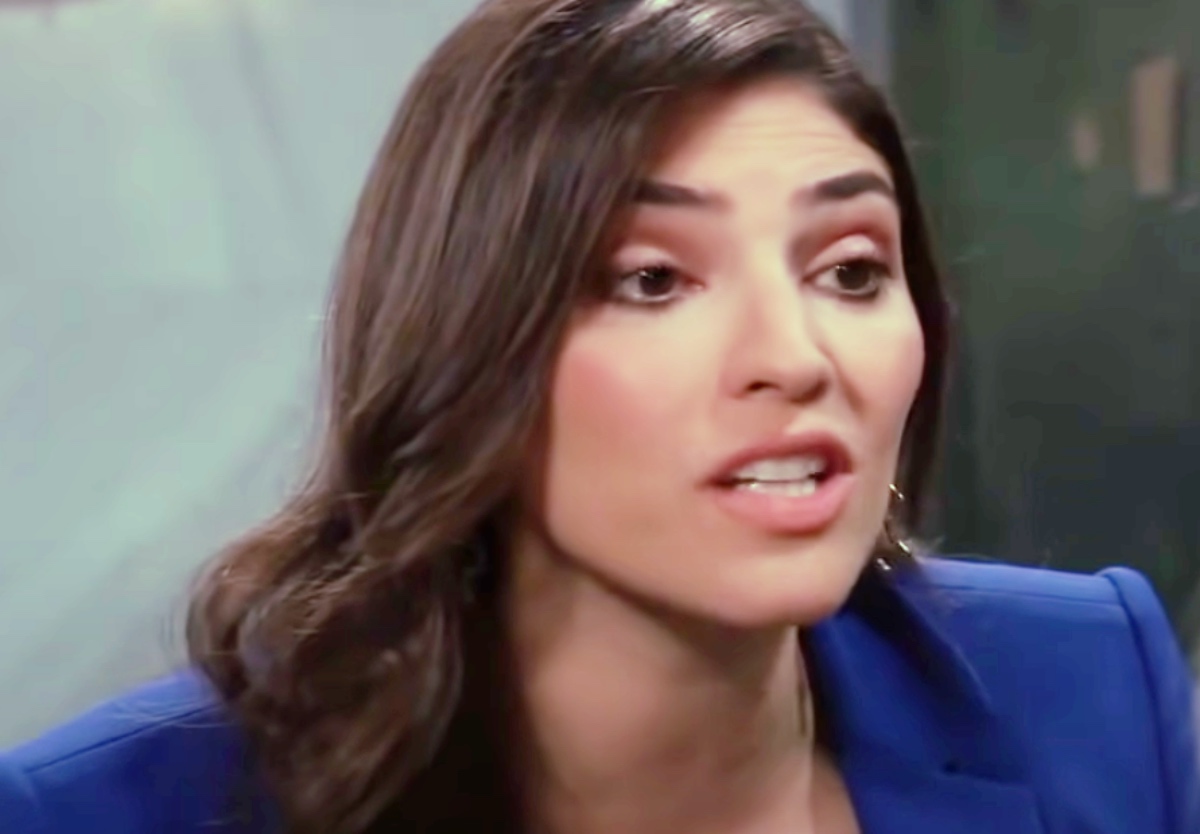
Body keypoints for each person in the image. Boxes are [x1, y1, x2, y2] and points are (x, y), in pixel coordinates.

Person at [2, 1, 1197, 832]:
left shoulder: (1091, 688)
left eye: (849, 270)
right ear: (472, 345)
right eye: (653, 280)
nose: (794, 358)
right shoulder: (100, 813)